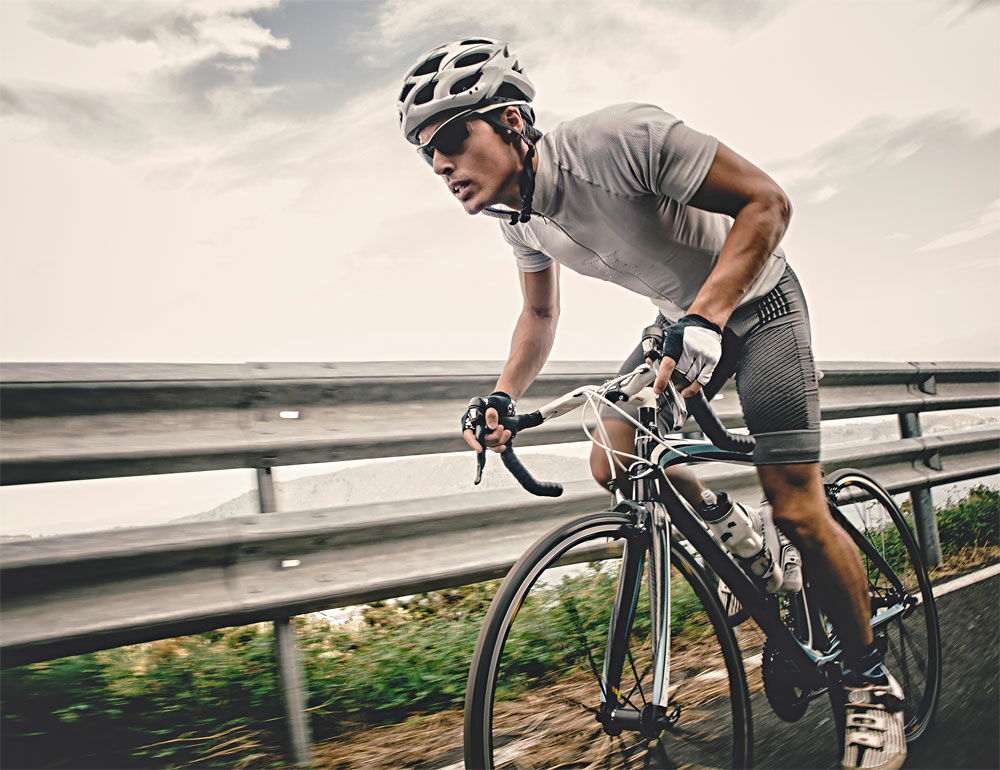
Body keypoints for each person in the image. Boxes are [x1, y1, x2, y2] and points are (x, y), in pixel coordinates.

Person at [397, 38, 907, 770]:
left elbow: (767, 203)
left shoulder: (620, 140)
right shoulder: (517, 217)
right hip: (679, 323)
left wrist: (709, 317)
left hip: (761, 306)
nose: (440, 164)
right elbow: (539, 317)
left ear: (511, 120)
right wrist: (505, 396)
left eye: (450, 138)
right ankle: (750, 550)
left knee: (796, 502)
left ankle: (869, 682)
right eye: (426, 153)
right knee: (614, 460)